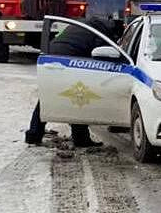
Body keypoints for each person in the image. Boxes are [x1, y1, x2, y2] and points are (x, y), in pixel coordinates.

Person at [24, 17, 116, 147]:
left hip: (50, 57)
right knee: (79, 97)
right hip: (70, 60)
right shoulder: (100, 33)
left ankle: (33, 134)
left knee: (47, 98)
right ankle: (81, 138)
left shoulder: (80, 25)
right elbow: (100, 55)